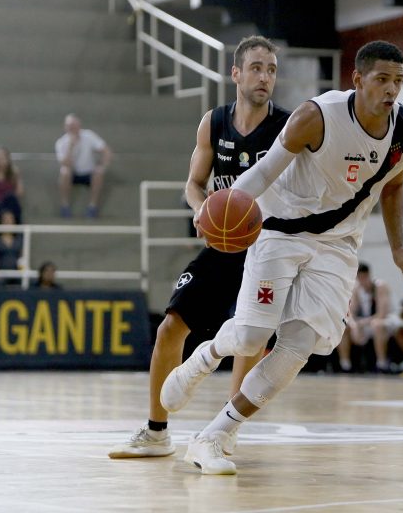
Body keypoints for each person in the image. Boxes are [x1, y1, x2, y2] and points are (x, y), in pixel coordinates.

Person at [160, 40, 403, 475]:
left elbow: (394, 186)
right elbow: (264, 171)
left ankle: (215, 435)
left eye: (398, 81)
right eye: (382, 79)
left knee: (299, 346)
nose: (391, 90)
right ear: (357, 80)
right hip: (280, 230)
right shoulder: (315, 117)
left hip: (338, 244)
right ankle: (204, 358)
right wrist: (222, 210)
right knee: (251, 337)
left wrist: (399, 249)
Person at [108, 36, 290, 459]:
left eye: (271, 70)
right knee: (170, 327)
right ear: (236, 73)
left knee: (249, 339)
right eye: (257, 68)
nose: (265, 77)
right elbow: (194, 184)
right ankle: (156, 433)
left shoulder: (287, 126)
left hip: (268, 247)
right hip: (225, 244)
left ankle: (224, 431)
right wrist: (201, 209)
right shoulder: (214, 122)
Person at [337, 263, 403, 373]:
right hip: (369, 321)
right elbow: (350, 313)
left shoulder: (380, 286)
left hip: (389, 319)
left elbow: (381, 314)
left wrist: (361, 323)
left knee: (377, 325)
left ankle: (382, 364)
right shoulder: (357, 289)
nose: (362, 281)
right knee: (344, 327)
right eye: (359, 278)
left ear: (368, 275)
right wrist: (354, 326)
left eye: (364, 277)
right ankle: (345, 366)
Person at [55, 113, 111, 218]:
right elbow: (65, 163)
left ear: (79, 125)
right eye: (70, 126)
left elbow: (106, 151)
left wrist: (103, 166)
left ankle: (92, 206)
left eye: (75, 125)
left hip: (89, 173)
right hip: (72, 174)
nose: (73, 128)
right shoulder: (61, 142)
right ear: (65, 128)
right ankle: (65, 206)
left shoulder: (89, 135)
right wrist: (71, 147)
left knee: (99, 173)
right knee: (64, 171)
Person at [0, 209, 23, 286]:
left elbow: (22, 257)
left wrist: (20, 272)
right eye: (5, 219)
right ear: (1, 221)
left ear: (14, 221)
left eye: (10, 219)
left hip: (16, 274)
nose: (7, 222)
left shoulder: (19, 239)